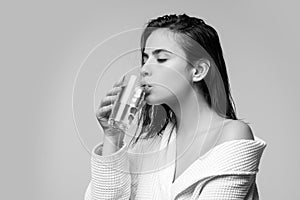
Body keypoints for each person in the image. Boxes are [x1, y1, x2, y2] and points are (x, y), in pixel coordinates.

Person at [84, 13, 267, 200]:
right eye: (145, 58)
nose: (144, 69)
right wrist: (113, 136)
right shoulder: (149, 144)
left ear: (198, 71)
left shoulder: (231, 135)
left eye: (161, 59)